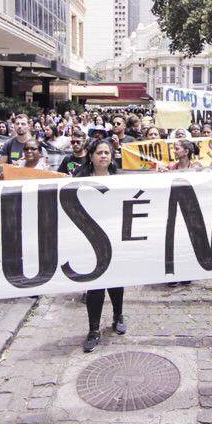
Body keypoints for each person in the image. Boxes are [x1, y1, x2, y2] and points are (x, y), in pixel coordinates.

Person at [74, 139, 126, 352]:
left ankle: (118, 315)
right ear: (91, 156)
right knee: (95, 285)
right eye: (99, 152)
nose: (103, 156)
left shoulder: (120, 180)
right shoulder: (80, 180)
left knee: (116, 280)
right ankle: (93, 330)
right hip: (89, 241)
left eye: (107, 152)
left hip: (114, 237)